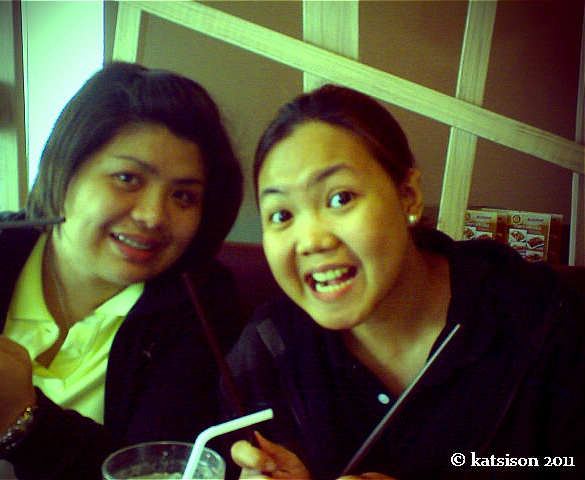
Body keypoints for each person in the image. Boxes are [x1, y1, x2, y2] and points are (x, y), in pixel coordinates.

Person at [223, 85, 584, 480]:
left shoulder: (541, 324)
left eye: (340, 198)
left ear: (408, 196)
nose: (310, 241)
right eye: (281, 215)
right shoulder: (267, 352)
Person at [0, 62, 244, 479]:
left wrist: (20, 421)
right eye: (127, 178)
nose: (154, 216)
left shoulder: (203, 307)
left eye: (183, 196)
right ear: (65, 169)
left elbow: (163, 466)